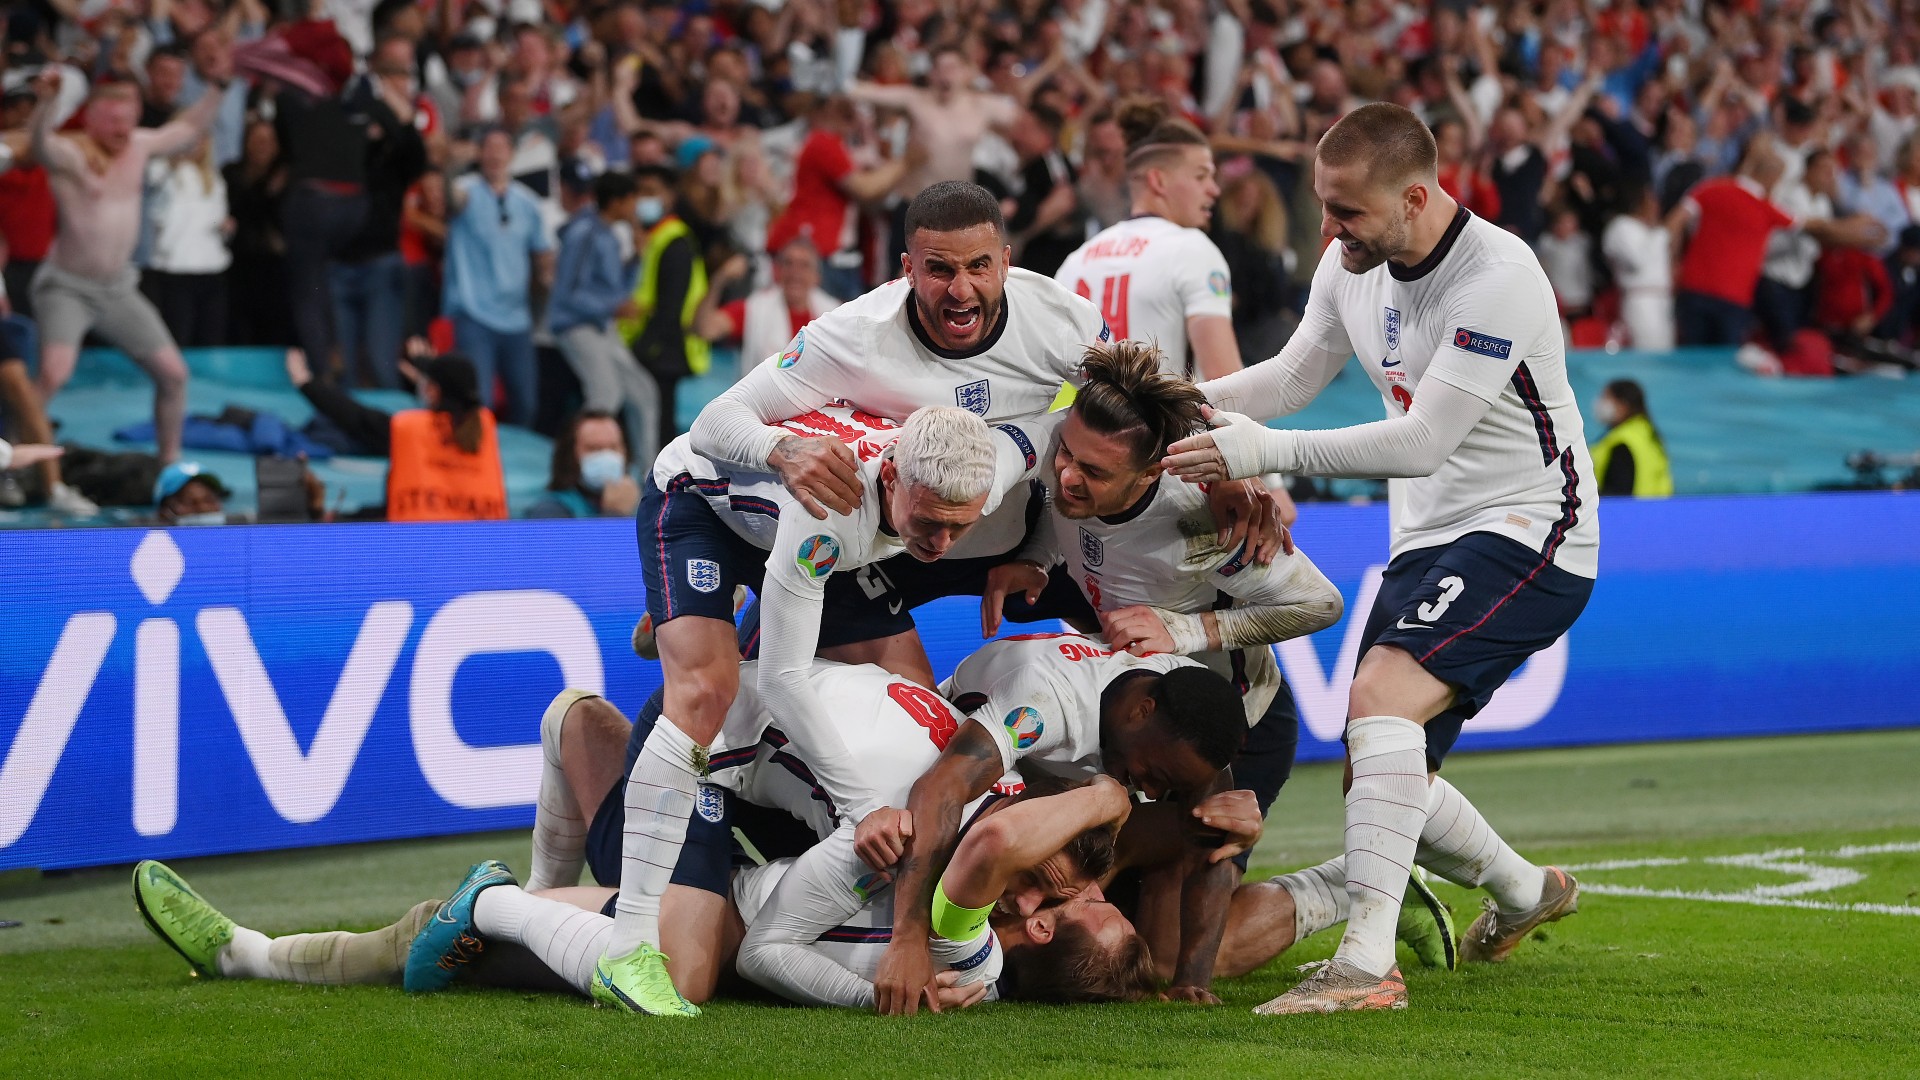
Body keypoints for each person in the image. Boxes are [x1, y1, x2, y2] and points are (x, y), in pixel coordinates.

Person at [1162, 102, 1600, 1014]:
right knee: (1383, 777)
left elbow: (1424, 441)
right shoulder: (1351, 261)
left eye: (1348, 211)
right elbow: (1292, 376)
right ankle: (1527, 891)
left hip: (1532, 525)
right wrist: (1177, 404)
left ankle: (1365, 969)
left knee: (1380, 700)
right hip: (1428, 538)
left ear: (1415, 198)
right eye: (1325, 206)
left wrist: (1261, 450)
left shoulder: (1498, 276)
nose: (1328, 229)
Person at [596, 404, 1044, 1015]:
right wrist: (863, 811)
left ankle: (720, 612)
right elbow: (782, 680)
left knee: (849, 661)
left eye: (958, 526)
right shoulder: (829, 515)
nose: (941, 544)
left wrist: (1041, 558)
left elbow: (1051, 435)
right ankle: (626, 946)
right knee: (706, 692)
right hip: (704, 505)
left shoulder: (990, 468)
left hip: (805, 541)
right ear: (892, 475)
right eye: (930, 522)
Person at [873, 631, 1248, 1013]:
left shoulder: (1193, 716)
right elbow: (942, 789)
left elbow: (1210, 840)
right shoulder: (1045, 702)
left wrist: (1192, 981)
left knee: (1217, 827)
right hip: (961, 772)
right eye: (1153, 773)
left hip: (1044, 797)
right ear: (1141, 712)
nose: (1150, 791)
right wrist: (909, 938)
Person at [28, 71, 228, 507]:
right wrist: (45, 105)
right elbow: (40, 146)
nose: (122, 129)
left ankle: (169, 465)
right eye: (113, 121)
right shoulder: (73, 151)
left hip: (117, 288)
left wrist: (219, 87)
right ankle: (12, 458)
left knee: (174, 375)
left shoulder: (137, 146)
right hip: (66, 287)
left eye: (127, 119)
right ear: (92, 119)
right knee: (54, 374)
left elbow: (187, 128)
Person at [1055, 98, 1241, 381]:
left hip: (1088, 409)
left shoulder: (1076, 261)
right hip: (1161, 410)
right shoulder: (1191, 248)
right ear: (1158, 181)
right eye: (1201, 176)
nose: (1213, 190)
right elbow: (1226, 380)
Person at [286, 347, 506, 522]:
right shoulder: (485, 428)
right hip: (482, 550)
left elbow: (355, 417)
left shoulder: (411, 430)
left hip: (416, 548)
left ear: (434, 390)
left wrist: (305, 383)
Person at [442, 127, 555, 427]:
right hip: (474, 314)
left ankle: (513, 454)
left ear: (512, 154)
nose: (495, 155)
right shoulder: (466, 190)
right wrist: (451, 165)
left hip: (517, 318)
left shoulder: (528, 202)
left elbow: (542, 254)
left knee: (526, 403)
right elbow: (449, 200)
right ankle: (482, 453)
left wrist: (548, 281)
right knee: (481, 402)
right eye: (488, 148)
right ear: (479, 154)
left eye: (501, 148)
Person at [549, 170, 659, 466]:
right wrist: (612, 308)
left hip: (602, 326)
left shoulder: (609, 235)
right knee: (605, 395)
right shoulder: (583, 234)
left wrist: (637, 257)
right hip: (576, 325)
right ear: (617, 202)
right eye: (633, 200)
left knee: (643, 392)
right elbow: (568, 292)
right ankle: (576, 468)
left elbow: (617, 289)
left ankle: (650, 475)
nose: (636, 207)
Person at [764, 95, 910, 301]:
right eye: (842, 113)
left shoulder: (839, 145)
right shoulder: (823, 143)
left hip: (835, 252)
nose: (849, 119)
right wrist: (907, 162)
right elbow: (865, 188)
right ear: (822, 113)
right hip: (815, 250)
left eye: (851, 113)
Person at [615, 163, 704, 455]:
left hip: (661, 352)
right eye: (639, 192)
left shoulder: (675, 241)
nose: (644, 198)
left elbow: (670, 307)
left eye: (652, 191)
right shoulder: (648, 237)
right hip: (644, 345)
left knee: (657, 432)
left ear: (669, 196)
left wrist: (640, 350)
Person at [695, 236, 840, 378]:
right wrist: (720, 279)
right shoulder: (756, 309)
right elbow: (705, 329)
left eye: (804, 265)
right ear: (777, 271)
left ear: (817, 276)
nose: (795, 272)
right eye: (788, 263)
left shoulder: (834, 314)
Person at [524, 409, 639, 519]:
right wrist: (615, 513)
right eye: (594, 449)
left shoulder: (640, 503)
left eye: (613, 448)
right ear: (569, 456)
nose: (606, 456)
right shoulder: (549, 510)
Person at [1601, 184, 1675, 351]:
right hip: (1640, 298)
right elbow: (1637, 261)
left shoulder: (1652, 230)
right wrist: (1660, 234)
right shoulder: (1621, 226)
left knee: (1666, 352)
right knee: (1647, 351)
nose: (1656, 205)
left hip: (1663, 298)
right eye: (1650, 200)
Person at [1589, 380, 1672, 498]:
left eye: (1606, 398)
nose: (1599, 403)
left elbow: (1618, 493)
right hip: (1655, 507)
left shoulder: (1621, 443)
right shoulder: (1649, 434)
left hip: (1627, 508)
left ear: (1623, 406)